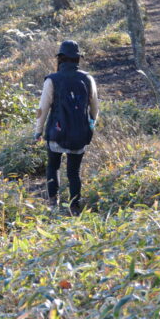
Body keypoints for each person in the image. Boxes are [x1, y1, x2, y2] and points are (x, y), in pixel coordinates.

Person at [33, 40, 99, 215]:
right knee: (74, 172)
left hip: (57, 133)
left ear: (60, 58)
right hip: (80, 134)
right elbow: (94, 109)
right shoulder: (87, 79)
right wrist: (90, 126)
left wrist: (38, 131)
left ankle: (53, 203)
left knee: (53, 167)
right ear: (77, 59)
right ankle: (74, 206)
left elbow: (43, 108)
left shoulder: (52, 80)